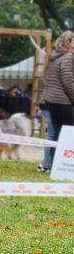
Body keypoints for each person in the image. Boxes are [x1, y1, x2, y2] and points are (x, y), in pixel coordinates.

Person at [40, 30, 74, 166]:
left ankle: (52, 164)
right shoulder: (68, 57)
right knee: (67, 133)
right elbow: (68, 82)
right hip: (62, 101)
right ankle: (62, 164)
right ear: (68, 42)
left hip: (52, 101)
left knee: (55, 134)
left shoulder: (56, 57)